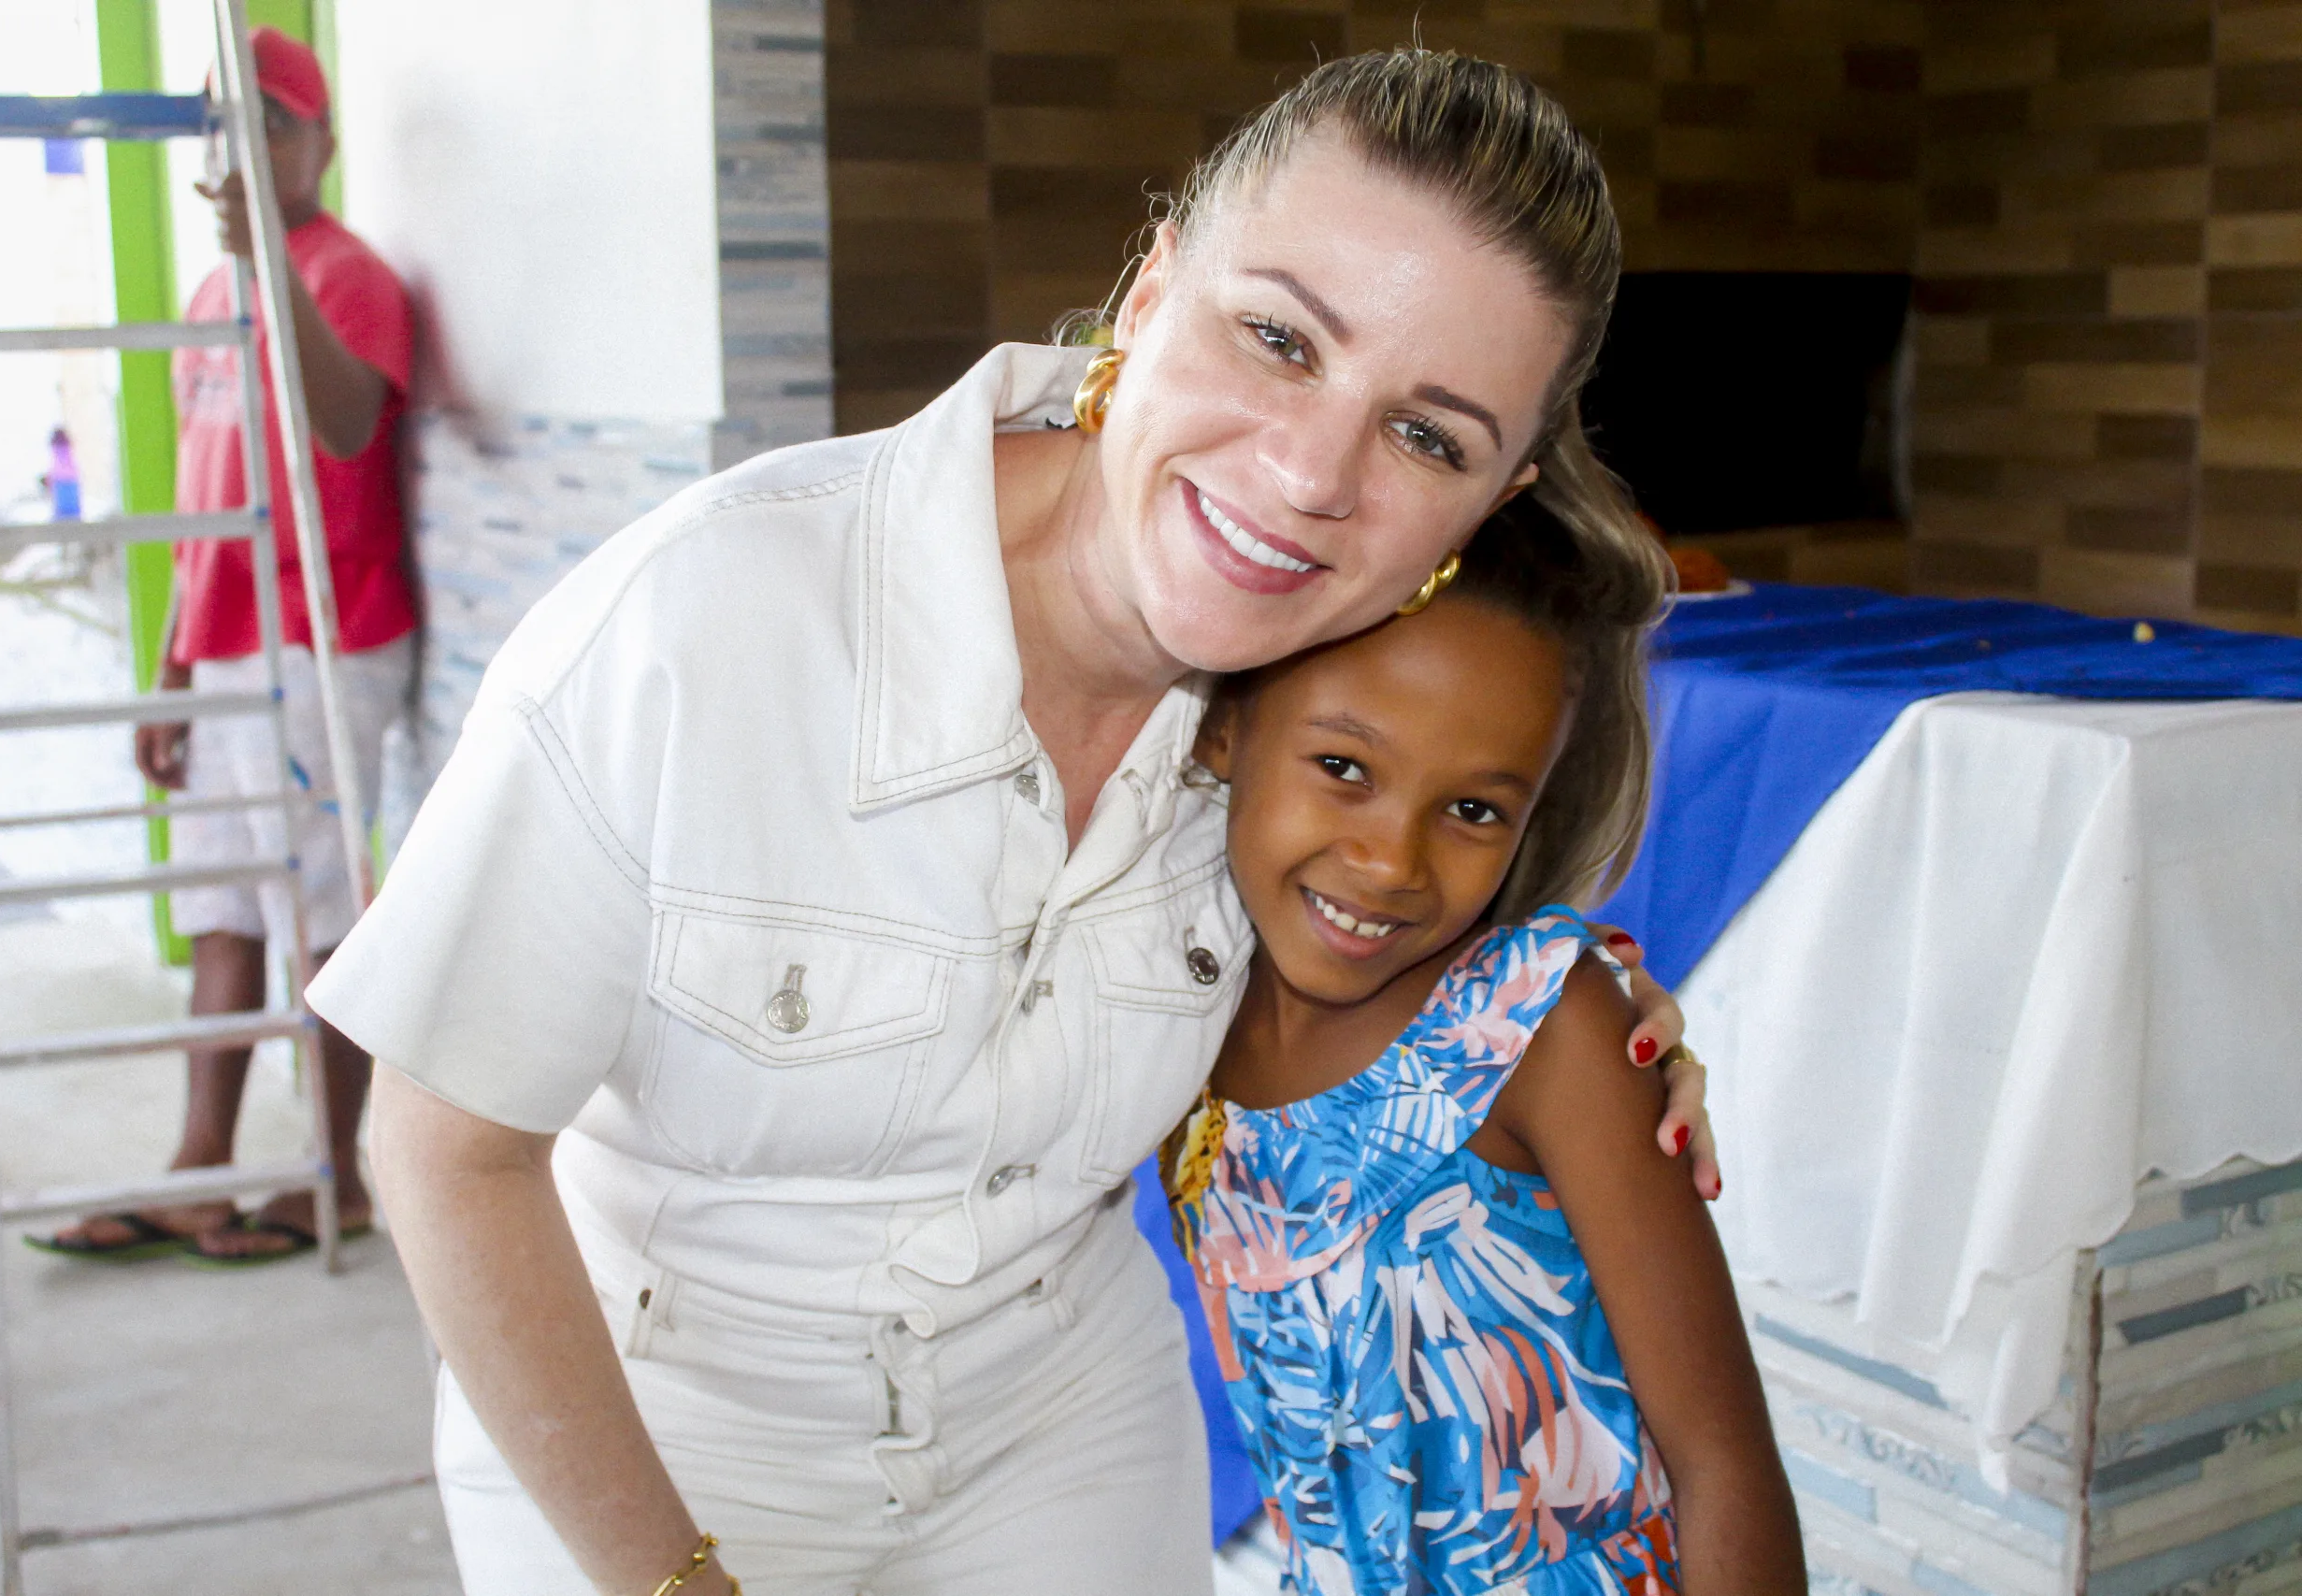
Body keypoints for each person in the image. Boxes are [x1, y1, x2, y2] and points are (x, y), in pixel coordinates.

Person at [312, 50, 1715, 1596]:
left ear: (1496, 496)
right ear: (1151, 282)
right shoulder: (702, 621)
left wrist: (1565, 1015)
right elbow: (447, 1150)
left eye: (1430, 437)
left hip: (1060, 1417)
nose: (1312, 474)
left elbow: (1367, 980)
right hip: (649, 1424)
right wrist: (671, 1581)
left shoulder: (1324, 711)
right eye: (1277, 337)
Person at [1168, 499, 1805, 1596]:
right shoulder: (1169, 1002)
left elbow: (1721, 1464)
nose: (1389, 863)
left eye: (1471, 809)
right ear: (1224, 725)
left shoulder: (1541, 1030)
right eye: (1345, 767)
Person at [36, 27, 415, 1265]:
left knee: (316, 909)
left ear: (320, 141)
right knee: (218, 906)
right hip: (228, 644)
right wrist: (172, 670)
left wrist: (273, 269)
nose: (245, 146)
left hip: (321, 641)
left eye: (270, 121)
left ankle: (334, 1174)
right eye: (225, 123)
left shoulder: (346, 275)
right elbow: (208, 499)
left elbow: (351, 427)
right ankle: (203, 1160)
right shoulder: (208, 293)